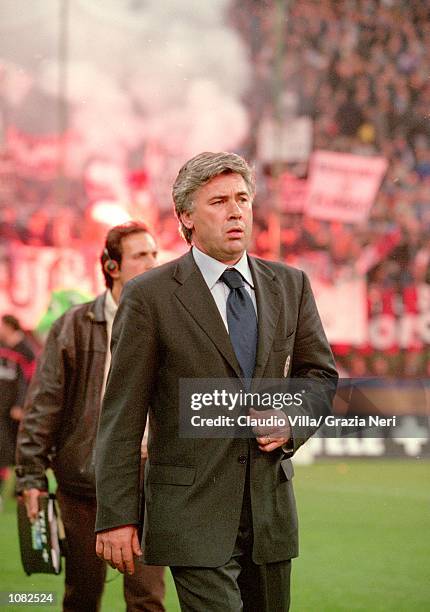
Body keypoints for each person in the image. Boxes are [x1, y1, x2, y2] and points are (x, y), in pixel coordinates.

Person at [95, 153, 338, 611]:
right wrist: (116, 516)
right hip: (190, 514)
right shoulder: (149, 296)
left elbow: (319, 375)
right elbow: (121, 416)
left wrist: (291, 419)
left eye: (243, 199)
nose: (236, 211)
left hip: (269, 513)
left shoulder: (291, 285)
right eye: (219, 201)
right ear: (185, 216)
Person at [15, 221, 165, 612]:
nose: (153, 262)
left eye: (154, 253)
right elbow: (43, 404)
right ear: (112, 266)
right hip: (84, 483)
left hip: (149, 484)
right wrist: (30, 476)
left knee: (147, 600)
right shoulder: (74, 325)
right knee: (81, 595)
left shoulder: (170, 321)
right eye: (141, 255)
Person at [0, 314, 36, 507]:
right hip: (2, 410)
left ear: (10, 326)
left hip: (17, 411)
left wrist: (21, 405)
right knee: (4, 449)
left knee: (18, 450)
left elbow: (29, 380)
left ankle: (21, 488)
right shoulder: (3, 347)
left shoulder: (26, 350)